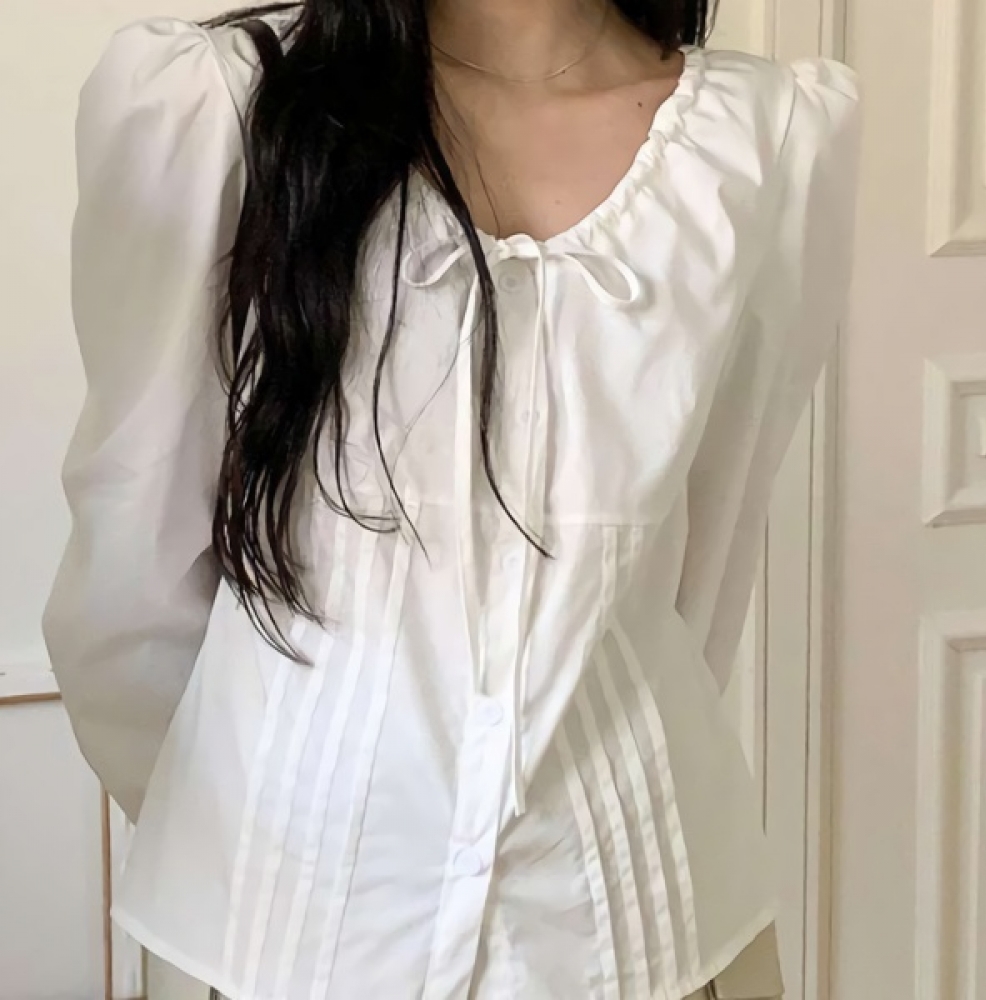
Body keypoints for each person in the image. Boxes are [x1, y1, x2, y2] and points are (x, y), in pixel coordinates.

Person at [42, 0, 860, 997]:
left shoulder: (765, 143)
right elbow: (129, 592)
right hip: (275, 945)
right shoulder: (223, 110)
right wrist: (279, 826)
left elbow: (702, 565)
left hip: (651, 944)